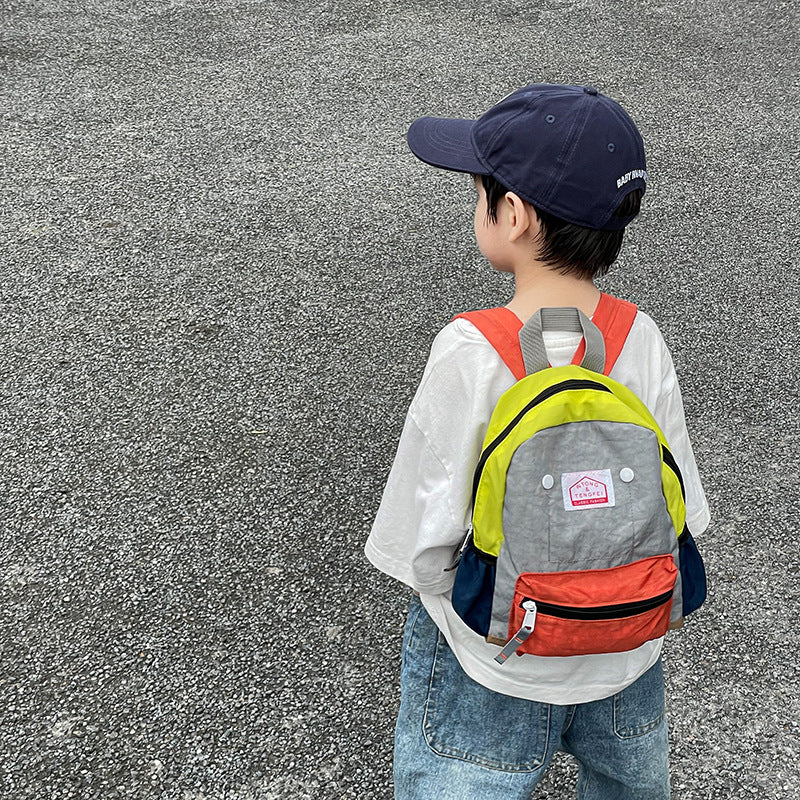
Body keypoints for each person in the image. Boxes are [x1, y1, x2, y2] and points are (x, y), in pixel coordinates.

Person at [365, 83, 710, 800]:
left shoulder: (470, 349)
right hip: (626, 648)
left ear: (513, 216)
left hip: (496, 657)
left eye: (479, 195)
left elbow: (420, 547)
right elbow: (686, 517)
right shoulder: (637, 338)